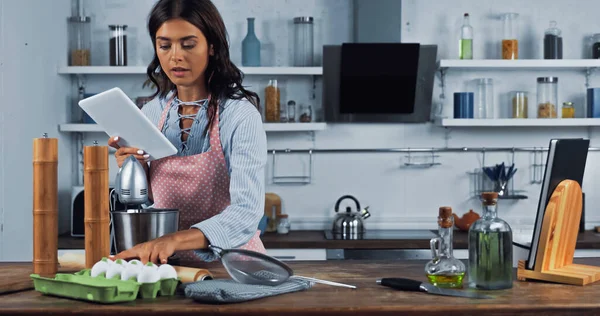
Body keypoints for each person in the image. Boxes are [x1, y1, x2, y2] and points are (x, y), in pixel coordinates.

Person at [109, 0, 267, 265]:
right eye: (164, 45)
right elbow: (149, 203)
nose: (175, 56)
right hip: (167, 268)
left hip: (235, 268)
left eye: (188, 44)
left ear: (212, 46)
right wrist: (133, 169)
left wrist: (174, 239)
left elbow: (246, 213)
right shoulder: (149, 115)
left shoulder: (239, 116)